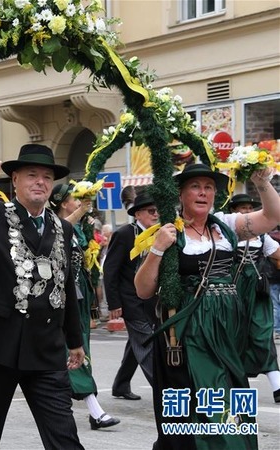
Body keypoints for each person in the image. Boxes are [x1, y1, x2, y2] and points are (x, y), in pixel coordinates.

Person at [135, 164, 280, 449]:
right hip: (189, 329)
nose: (203, 193)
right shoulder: (167, 231)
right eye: (195, 186)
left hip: (228, 327)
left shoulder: (226, 225)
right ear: (180, 194)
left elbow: (272, 217)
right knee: (205, 401)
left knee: (234, 393)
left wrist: (261, 182)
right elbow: (143, 290)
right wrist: (158, 248)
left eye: (209, 187)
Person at [0, 144, 85, 449]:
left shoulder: (63, 228)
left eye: (47, 177)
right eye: (31, 175)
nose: (40, 182)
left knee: (63, 434)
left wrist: (75, 340)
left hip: (46, 347)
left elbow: (65, 285)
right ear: (15, 180)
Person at [51, 183, 121, 430]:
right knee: (72, 348)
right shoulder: (52, 224)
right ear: (63, 203)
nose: (78, 202)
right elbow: (59, 229)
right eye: (74, 198)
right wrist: (82, 210)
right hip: (59, 296)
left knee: (79, 346)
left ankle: (62, 401)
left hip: (79, 295)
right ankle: (95, 410)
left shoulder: (80, 227)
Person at [104, 190, 159, 401]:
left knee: (135, 344)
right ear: (138, 214)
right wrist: (114, 303)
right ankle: (164, 389)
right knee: (146, 343)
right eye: (151, 211)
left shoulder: (160, 233)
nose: (156, 214)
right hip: (131, 300)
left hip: (152, 300)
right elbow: (110, 270)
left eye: (157, 211)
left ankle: (120, 385)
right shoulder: (125, 234)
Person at [228, 193, 280, 403]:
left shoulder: (262, 237)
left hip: (257, 291)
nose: (247, 212)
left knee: (262, 333)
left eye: (250, 208)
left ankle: (277, 384)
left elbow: (277, 255)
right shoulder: (226, 233)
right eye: (243, 208)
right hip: (232, 290)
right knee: (233, 334)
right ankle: (234, 383)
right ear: (234, 212)